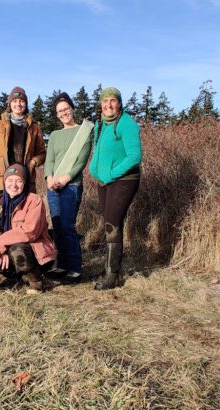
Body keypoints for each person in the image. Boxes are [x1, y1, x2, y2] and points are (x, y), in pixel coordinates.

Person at [89, 87, 142, 290]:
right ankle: (109, 267)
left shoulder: (127, 124)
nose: (109, 105)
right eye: (105, 101)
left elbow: (134, 156)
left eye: (113, 101)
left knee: (112, 222)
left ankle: (113, 276)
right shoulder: (100, 123)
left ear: (119, 103)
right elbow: (97, 151)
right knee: (109, 222)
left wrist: (111, 173)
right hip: (105, 180)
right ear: (101, 104)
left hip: (125, 179)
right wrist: (94, 169)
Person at [0, 164, 56, 294]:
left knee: (17, 250)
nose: (14, 185)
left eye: (19, 181)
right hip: (6, 249)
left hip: (34, 253)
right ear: (4, 182)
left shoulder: (34, 201)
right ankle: (12, 278)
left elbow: (30, 232)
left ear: (25, 182)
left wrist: (0, 243)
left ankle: (36, 280)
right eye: (10, 180)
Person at [44, 92, 93, 285]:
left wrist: (65, 178)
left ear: (72, 109)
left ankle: (74, 268)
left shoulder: (84, 131)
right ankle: (62, 265)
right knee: (57, 227)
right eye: (60, 111)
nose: (64, 113)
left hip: (71, 185)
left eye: (66, 109)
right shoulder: (55, 135)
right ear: (57, 115)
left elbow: (81, 160)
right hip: (52, 187)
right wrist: (49, 178)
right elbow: (50, 160)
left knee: (67, 226)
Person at [0, 86, 46, 199]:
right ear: (10, 104)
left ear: (26, 104)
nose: (18, 104)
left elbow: (42, 153)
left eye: (22, 101)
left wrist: (33, 162)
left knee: (24, 215)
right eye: (15, 101)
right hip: (1, 179)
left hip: (26, 180)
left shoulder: (35, 128)